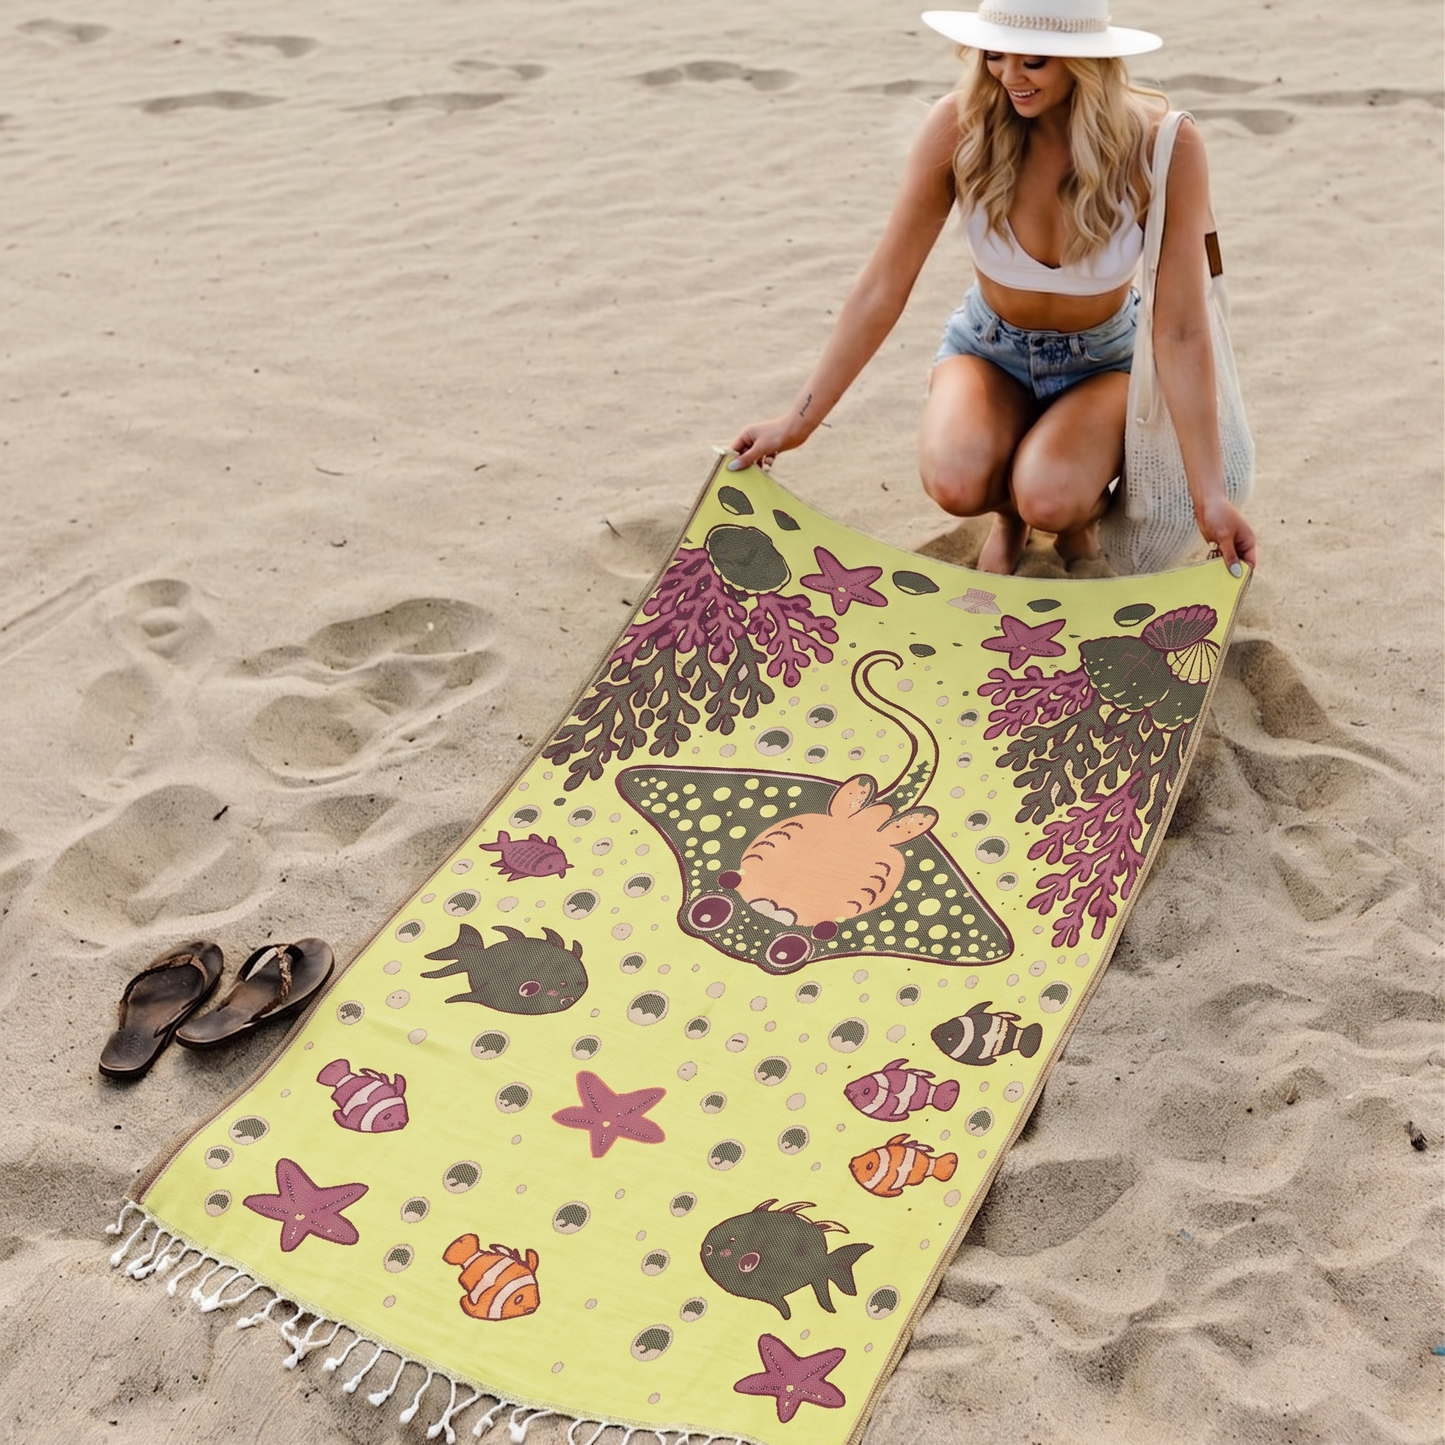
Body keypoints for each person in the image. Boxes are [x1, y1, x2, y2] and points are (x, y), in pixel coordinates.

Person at [728, 1, 1257, 578]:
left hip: (1105, 360)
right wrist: (797, 421)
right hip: (988, 348)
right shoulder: (960, 127)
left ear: (1088, 63)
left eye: (1032, 60)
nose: (1008, 76)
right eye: (994, 56)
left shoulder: (1164, 148)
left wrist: (1209, 499)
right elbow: (883, 286)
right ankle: (1009, 516)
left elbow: (1179, 329)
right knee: (955, 480)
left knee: (1051, 495)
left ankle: (1072, 518)